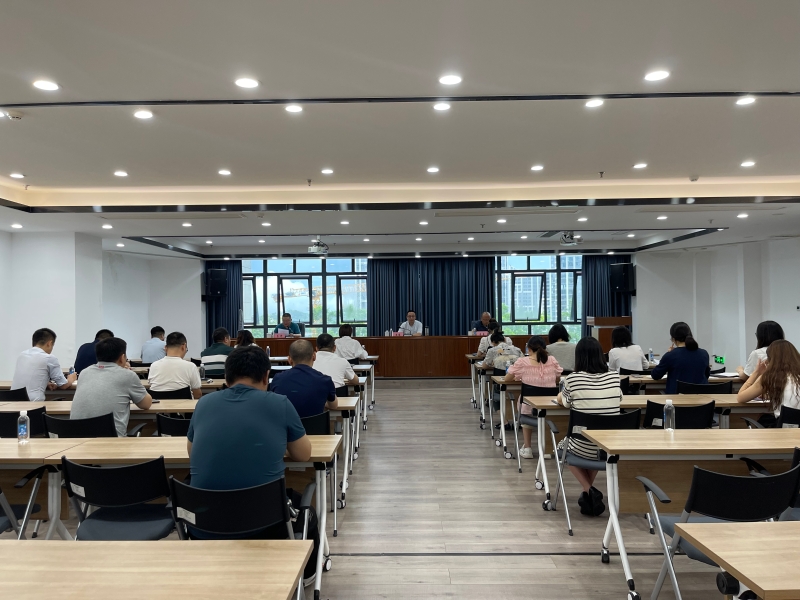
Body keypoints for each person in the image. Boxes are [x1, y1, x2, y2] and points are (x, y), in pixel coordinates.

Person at [187, 345, 311, 490]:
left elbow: (191, 451)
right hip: (265, 503)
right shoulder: (280, 403)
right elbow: (303, 455)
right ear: (266, 377)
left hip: (204, 503)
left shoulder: (203, 403)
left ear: (226, 378)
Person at [557, 337, 621, 516]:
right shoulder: (614, 377)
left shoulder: (573, 379)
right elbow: (619, 398)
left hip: (583, 445)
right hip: (608, 447)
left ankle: (589, 489)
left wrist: (561, 395)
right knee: (597, 439)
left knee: (561, 448)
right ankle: (588, 495)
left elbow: (565, 402)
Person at [70, 337, 152, 436]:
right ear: (122, 358)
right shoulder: (127, 375)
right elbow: (146, 404)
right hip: (111, 441)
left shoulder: (84, 372)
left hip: (77, 440)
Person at [504, 336, 563, 459]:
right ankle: (547, 449)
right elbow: (558, 378)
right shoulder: (552, 360)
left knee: (525, 406)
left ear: (529, 349)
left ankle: (527, 448)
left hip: (528, 407)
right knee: (544, 413)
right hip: (549, 406)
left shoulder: (522, 362)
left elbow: (507, 378)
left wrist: (520, 377)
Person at [270, 339, 338, 417]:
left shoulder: (278, 379)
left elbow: (273, 403)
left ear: (289, 359)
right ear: (314, 356)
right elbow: (334, 405)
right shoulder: (325, 380)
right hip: (316, 425)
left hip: (286, 425)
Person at [737, 340, 800, 419]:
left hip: (785, 425)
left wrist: (756, 372)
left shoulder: (770, 377)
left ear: (771, 360)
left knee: (763, 418)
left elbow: (741, 397)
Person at [11, 328, 77, 401]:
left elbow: (28, 376)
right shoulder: (49, 358)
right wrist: (71, 378)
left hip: (13, 402)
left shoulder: (22, 355)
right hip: (33, 404)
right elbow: (63, 385)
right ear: (49, 343)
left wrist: (46, 383)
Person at [650, 322, 710, 394]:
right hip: (702, 398)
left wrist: (668, 354)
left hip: (677, 398)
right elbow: (706, 374)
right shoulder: (704, 353)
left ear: (673, 339)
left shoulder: (670, 355)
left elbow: (655, 375)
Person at [148, 331, 203, 399]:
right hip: (184, 405)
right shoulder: (190, 366)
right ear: (183, 347)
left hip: (159, 405)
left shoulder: (153, 366)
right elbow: (197, 394)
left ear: (165, 348)